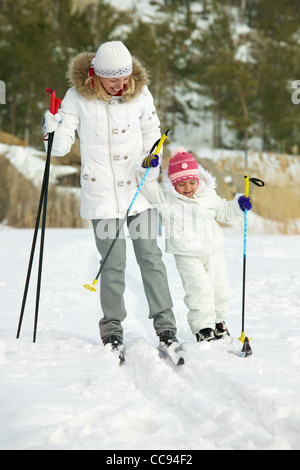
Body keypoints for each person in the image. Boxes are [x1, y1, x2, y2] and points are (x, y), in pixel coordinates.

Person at [42, 41, 178, 351]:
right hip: (103, 196)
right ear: (96, 75)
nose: (121, 85)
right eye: (113, 79)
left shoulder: (141, 94)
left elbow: (152, 134)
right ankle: (112, 328)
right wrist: (51, 130)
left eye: (125, 77)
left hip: (139, 193)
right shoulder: (78, 98)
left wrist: (152, 161)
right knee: (113, 262)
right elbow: (59, 146)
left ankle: (166, 326)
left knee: (150, 258)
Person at [138, 146, 253, 342]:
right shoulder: (167, 199)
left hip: (213, 250)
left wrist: (237, 205)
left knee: (220, 288)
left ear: (198, 178)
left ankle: (218, 322)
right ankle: (203, 327)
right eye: (181, 184)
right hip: (186, 253)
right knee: (198, 290)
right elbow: (147, 185)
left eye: (192, 182)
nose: (188, 187)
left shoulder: (208, 195)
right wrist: (147, 170)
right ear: (173, 184)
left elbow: (223, 211)